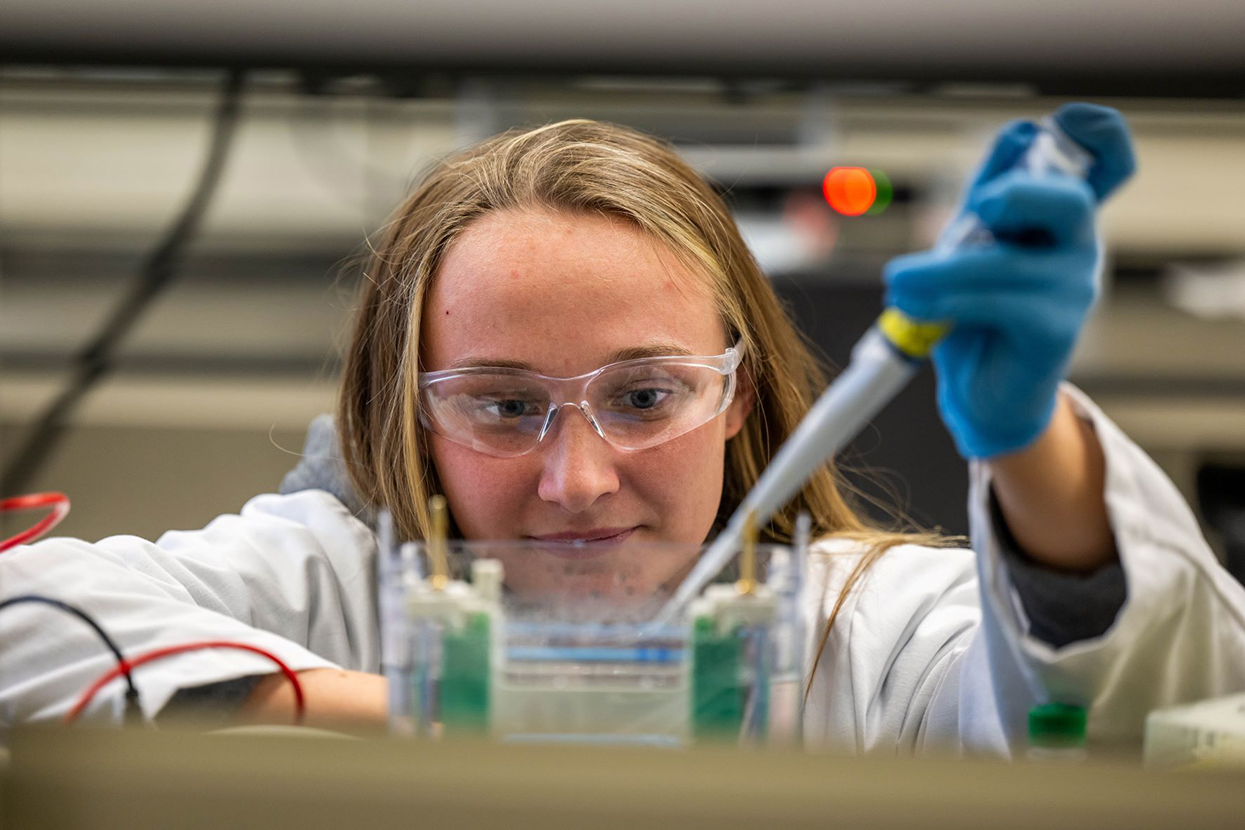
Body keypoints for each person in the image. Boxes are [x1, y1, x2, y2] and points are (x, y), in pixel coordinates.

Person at [2, 111, 1243, 755]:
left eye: (646, 394)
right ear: (415, 409)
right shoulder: (323, 586)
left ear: (737, 394)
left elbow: (1161, 722)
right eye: (500, 403)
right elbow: (27, 619)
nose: (578, 477)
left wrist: (1033, 447)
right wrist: (441, 711)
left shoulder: (859, 628)